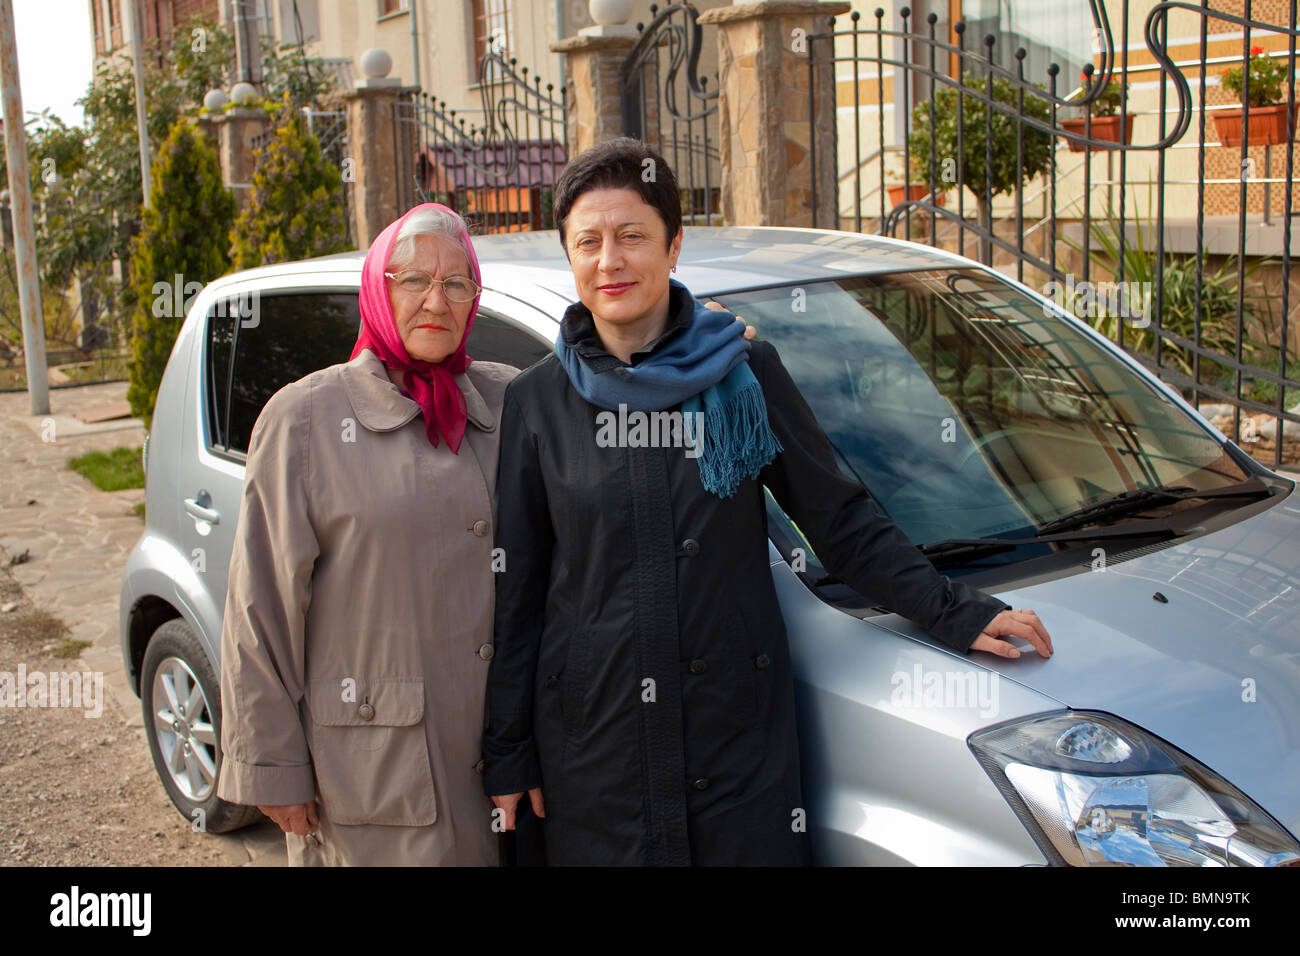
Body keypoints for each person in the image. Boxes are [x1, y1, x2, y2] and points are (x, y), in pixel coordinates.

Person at [481, 138, 1054, 866]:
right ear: (570, 256)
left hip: (734, 741)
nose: (610, 261)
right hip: (596, 749)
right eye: (587, 242)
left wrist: (958, 610)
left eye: (632, 236)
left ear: (673, 244)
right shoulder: (536, 402)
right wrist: (508, 755)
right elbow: (519, 594)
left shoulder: (745, 372)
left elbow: (839, 521)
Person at [216, 203, 518, 865]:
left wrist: (689, 335)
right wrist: (272, 767)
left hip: (506, 776)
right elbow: (259, 609)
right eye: (411, 280)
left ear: (474, 299)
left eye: (455, 283)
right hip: (378, 774)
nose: (435, 300)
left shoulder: (510, 400)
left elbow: (608, 395)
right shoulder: (305, 420)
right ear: (377, 289)